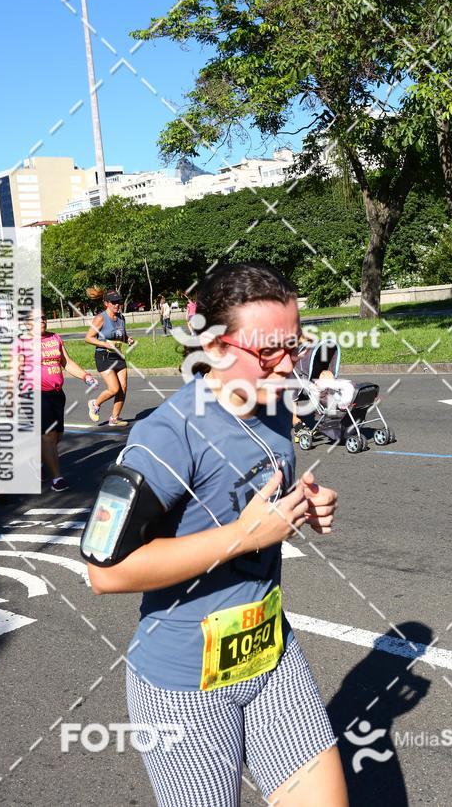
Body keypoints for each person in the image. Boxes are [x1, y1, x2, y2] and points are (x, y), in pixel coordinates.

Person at [87, 263, 348, 807]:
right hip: (186, 686)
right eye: (270, 352)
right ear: (217, 348)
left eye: (295, 346)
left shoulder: (275, 404)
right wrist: (244, 536)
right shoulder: (166, 434)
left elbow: (252, 500)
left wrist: (301, 507)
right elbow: (104, 572)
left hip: (272, 656)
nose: (290, 366)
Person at [39, 312, 95, 491]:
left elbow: (67, 362)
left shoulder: (55, 338)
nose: (42, 321)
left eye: (43, 317)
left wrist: (85, 376)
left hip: (57, 393)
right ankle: (57, 478)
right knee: (49, 435)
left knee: (57, 436)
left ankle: (38, 463)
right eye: (37, 318)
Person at [85, 290, 134, 427]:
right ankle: (95, 404)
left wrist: (127, 339)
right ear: (106, 303)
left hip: (117, 355)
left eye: (118, 302)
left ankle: (114, 418)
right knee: (114, 389)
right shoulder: (100, 318)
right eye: (114, 302)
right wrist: (105, 344)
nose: (117, 305)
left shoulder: (121, 318)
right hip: (104, 356)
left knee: (123, 388)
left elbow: (120, 335)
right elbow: (88, 338)